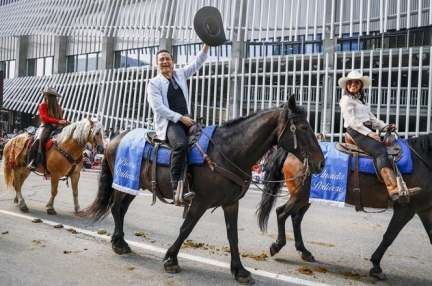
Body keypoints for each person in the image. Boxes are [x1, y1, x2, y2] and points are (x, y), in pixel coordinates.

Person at [339, 70, 420, 202]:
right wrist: (369, 133)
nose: (353, 84)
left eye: (356, 82)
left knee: (387, 147)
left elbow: (373, 119)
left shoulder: (360, 102)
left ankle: (399, 183)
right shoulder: (346, 99)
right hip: (355, 131)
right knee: (380, 151)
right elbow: (352, 121)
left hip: (365, 130)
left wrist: (385, 126)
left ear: (360, 85)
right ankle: (392, 188)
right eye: (350, 82)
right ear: (347, 85)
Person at [147, 44, 209, 204]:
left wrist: (207, 44)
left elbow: (197, 63)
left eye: (167, 59)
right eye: (161, 60)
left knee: (211, 139)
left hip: (188, 119)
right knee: (181, 145)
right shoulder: (153, 83)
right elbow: (158, 108)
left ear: (173, 62)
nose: (165, 61)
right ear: (157, 64)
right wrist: (180, 118)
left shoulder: (180, 74)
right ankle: (176, 188)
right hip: (170, 124)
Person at [28, 87, 68, 170]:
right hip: (46, 126)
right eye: (45, 94)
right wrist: (58, 121)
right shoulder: (42, 105)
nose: (45, 95)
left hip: (57, 127)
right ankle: (33, 161)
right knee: (39, 139)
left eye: (47, 94)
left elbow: (60, 117)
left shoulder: (59, 107)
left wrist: (64, 121)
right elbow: (44, 118)